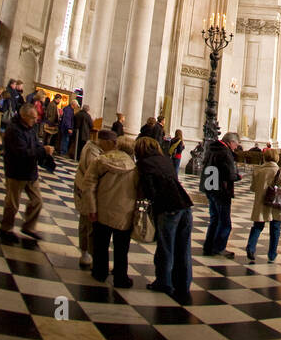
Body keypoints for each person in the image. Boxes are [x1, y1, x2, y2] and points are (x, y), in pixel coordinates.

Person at [135, 136, 194, 304]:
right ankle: (183, 284)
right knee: (184, 247)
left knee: (166, 247)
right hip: (184, 204)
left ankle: (164, 282)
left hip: (168, 207)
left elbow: (149, 190)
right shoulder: (165, 160)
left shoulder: (144, 164)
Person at [84, 129, 138, 289]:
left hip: (102, 211)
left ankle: (99, 273)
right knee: (122, 249)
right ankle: (121, 278)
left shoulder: (101, 160)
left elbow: (88, 186)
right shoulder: (135, 168)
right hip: (124, 214)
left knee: (100, 244)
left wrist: (91, 208)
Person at [0, 104, 54, 240]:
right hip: (16, 170)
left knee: (37, 201)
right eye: (33, 118)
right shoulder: (13, 130)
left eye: (36, 118)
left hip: (30, 171)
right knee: (12, 203)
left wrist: (43, 150)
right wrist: (43, 151)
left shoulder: (31, 128)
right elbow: (22, 152)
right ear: (23, 116)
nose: (36, 121)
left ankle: (29, 227)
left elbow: (35, 144)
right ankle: (6, 229)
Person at [246, 147, 281, 262]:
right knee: (275, 229)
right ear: (277, 158)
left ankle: (251, 247)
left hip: (261, 202)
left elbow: (253, 188)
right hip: (276, 204)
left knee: (257, 226)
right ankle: (272, 254)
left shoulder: (258, 171)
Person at [201, 132, 241, 256]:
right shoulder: (225, 152)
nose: (236, 147)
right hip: (221, 190)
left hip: (209, 187)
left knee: (214, 218)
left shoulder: (211, 148)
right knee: (225, 222)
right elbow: (229, 174)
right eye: (236, 144)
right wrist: (238, 176)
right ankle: (218, 247)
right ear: (230, 142)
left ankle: (208, 246)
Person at [74, 128, 103, 268]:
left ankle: (89, 253)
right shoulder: (93, 152)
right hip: (85, 191)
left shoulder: (91, 147)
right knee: (87, 223)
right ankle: (86, 253)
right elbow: (93, 173)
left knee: (88, 223)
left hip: (85, 189)